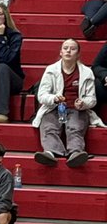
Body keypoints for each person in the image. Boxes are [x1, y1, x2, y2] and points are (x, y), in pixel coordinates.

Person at [32, 38, 98, 168]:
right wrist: (54, 98)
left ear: (78, 54)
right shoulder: (51, 70)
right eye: (65, 48)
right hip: (54, 108)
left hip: (76, 109)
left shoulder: (87, 72)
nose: (68, 51)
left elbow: (92, 99)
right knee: (49, 126)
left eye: (72, 49)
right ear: (61, 52)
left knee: (75, 127)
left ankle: (75, 153)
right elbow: (42, 95)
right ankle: (50, 153)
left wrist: (83, 103)